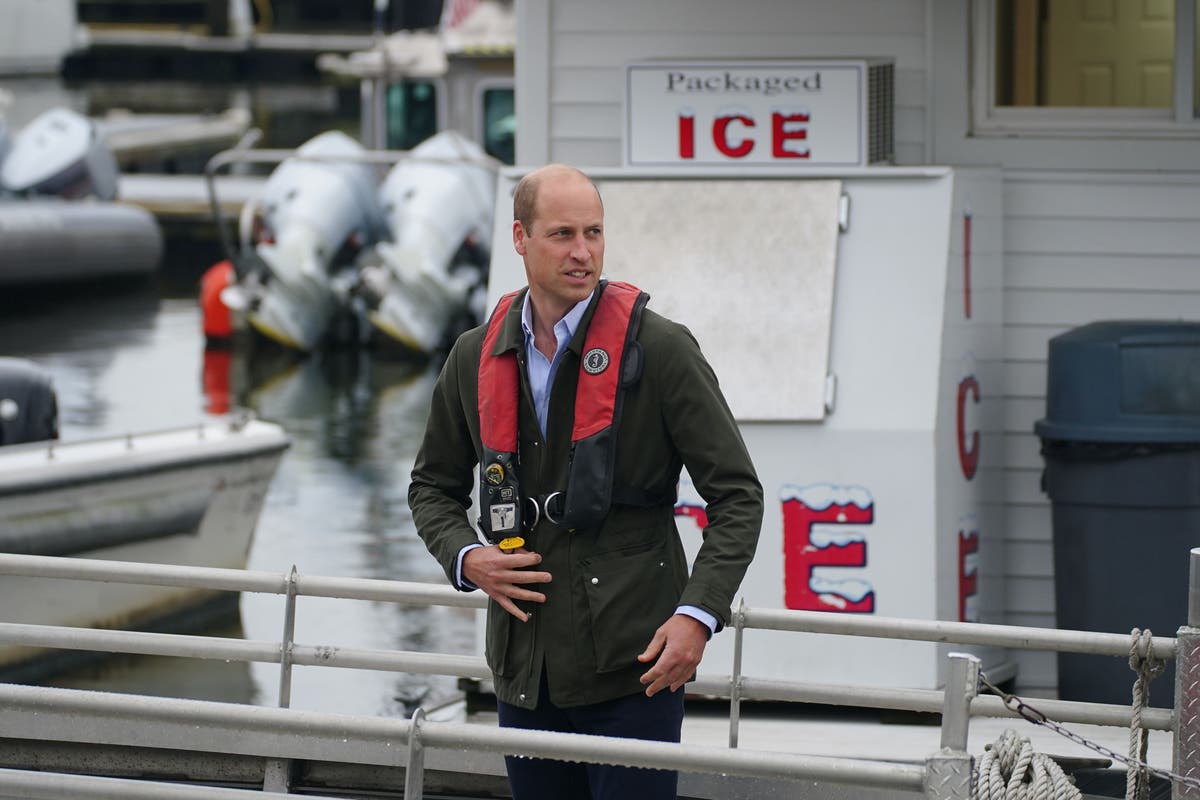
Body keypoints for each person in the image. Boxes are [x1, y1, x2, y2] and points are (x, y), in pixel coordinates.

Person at [408, 163, 763, 800]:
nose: (583, 252)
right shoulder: (472, 356)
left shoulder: (662, 350)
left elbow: (738, 496)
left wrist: (698, 616)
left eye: (594, 233)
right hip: (524, 671)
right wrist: (468, 558)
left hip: (636, 670)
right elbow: (431, 487)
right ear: (520, 239)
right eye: (562, 234)